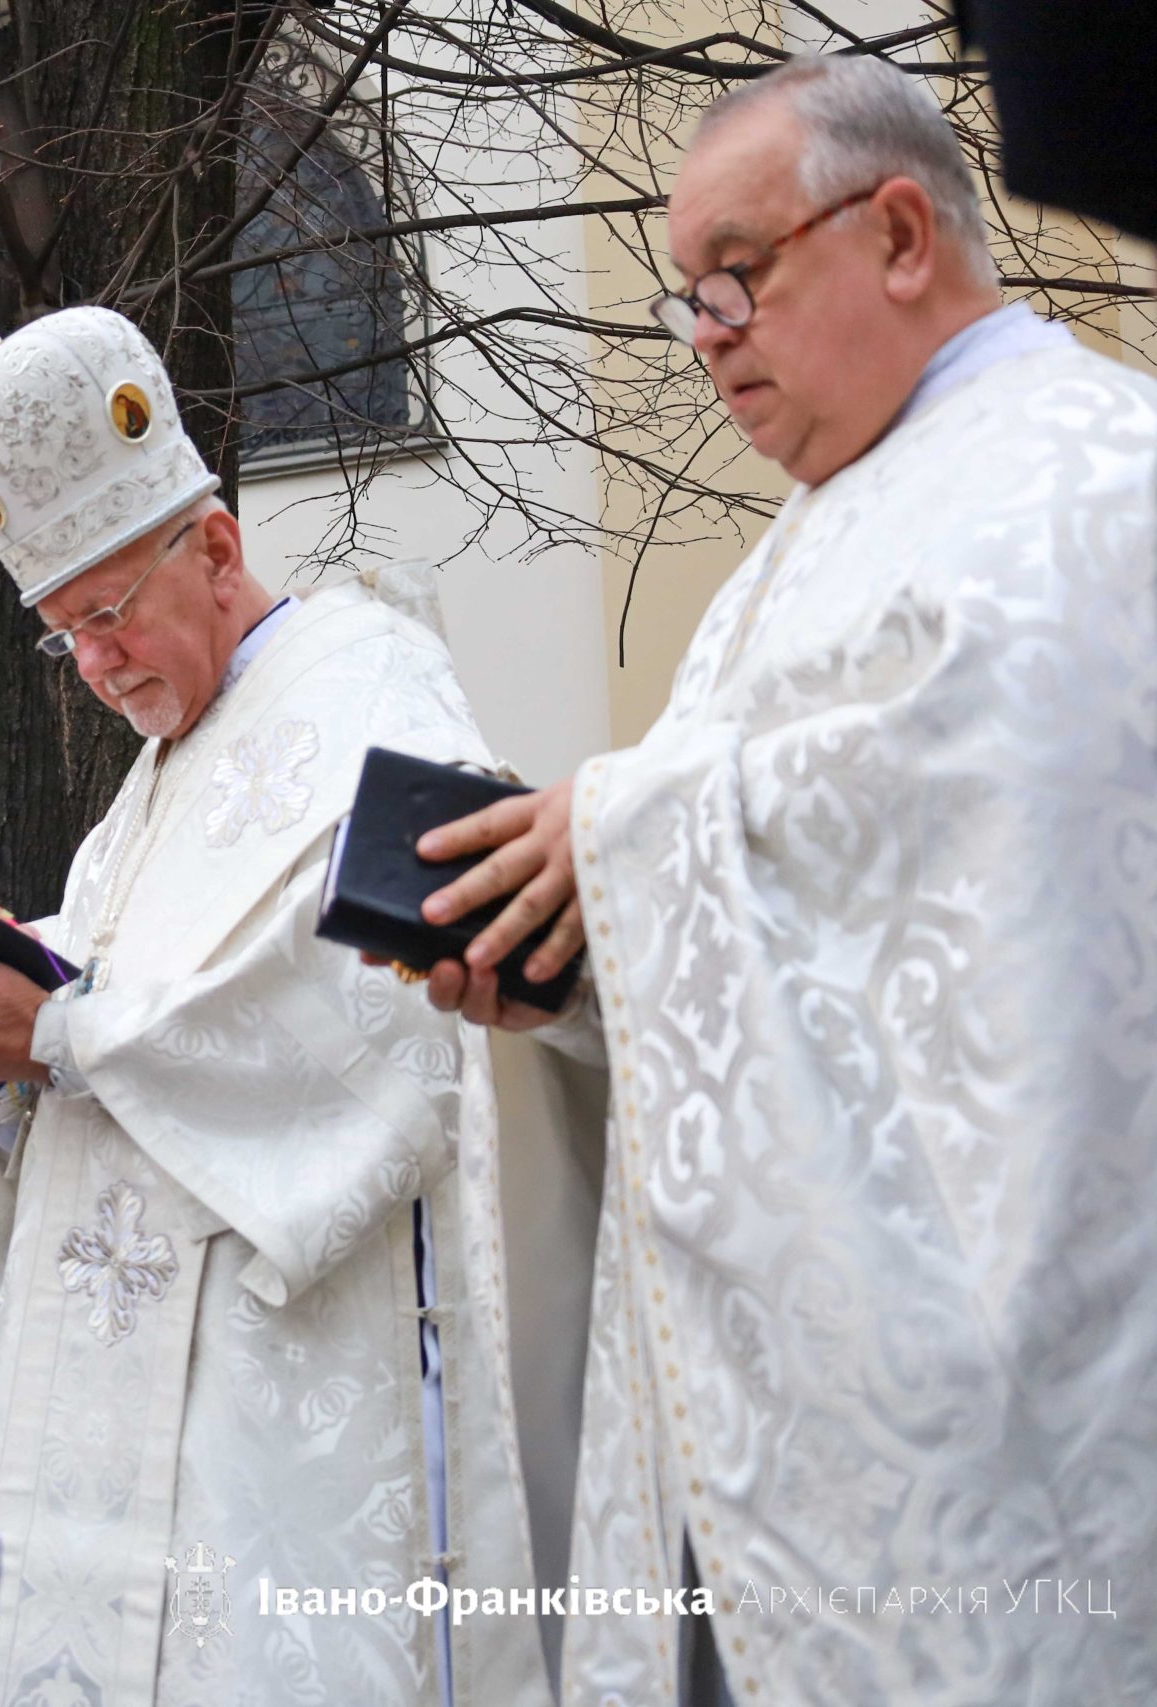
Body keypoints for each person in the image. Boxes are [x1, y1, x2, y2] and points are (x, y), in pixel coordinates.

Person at [407, 56, 1157, 1705]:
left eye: (738, 274)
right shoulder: (789, 557)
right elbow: (791, 970)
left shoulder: (1091, 476)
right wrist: (568, 970)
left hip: (980, 1450)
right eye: (688, 298)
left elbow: (1020, 823)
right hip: (753, 1429)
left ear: (900, 234)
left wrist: (620, 829)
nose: (708, 335)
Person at [0, 303, 551, 1704]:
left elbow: (400, 1010)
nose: (95, 666)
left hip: (276, 1393)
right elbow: (105, 1020)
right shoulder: (141, 797)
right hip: (106, 1406)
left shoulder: (370, 684)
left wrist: (63, 1034)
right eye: (63, 637)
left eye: (107, 615)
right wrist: (4, 1048)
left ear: (216, 549)